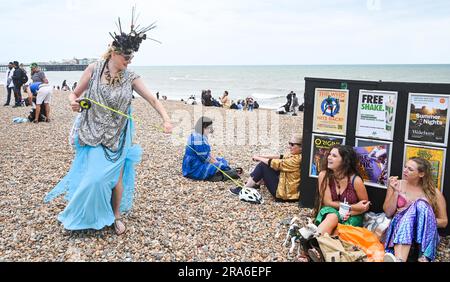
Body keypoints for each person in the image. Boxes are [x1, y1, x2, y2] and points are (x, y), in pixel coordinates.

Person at [44, 10, 173, 236]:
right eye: (126, 57)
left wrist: (166, 119)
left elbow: (153, 99)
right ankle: (82, 214)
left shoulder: (131, 77)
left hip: (119, 136)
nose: (129, 61)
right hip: (92, 131)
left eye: (132, 58)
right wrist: (75, 103)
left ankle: (115, 216)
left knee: (116, 178)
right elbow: (73, 94)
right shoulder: (94, 69)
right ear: (113, 52)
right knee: (94, 178)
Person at [383, 157, 448, 262]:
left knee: (420, 205)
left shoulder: (434, 193)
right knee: (409, 215)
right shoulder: (396, 184)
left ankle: (404, 258)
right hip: (400, 227)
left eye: (410, 169)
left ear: (421, 174)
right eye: (405, 167)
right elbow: (388, 212)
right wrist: (396, 192)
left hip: (424, 232)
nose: (405, 170)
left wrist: (419, 220)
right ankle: (408, 259)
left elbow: (444, 221)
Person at [307, 145, 370, 238]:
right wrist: (353, 207)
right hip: (330, 212)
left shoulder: (355, 180)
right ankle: (314, 241)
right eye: (329, 154)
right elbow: (327, 202)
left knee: (339, 231)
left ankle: (315, 243)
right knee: (333, 217)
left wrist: (351, 212)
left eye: (334, 156)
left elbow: (365, 205)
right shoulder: (324, 175)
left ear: (344, 161)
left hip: (351, 215)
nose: (329, 157)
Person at [229, 134, 302, 202]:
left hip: (285, 196)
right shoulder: (297, 155)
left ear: (301, 147)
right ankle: (255, 183)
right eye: (289, 143)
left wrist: (259, 158)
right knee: (266, 164)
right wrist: (262, 156)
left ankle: (244, 189)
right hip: (288, 191)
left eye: (292, 144)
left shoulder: (296, 160)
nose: (289, 146)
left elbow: (275, 163)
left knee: (263, 166)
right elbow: (281, 157)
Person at [182, 117, 240, 182]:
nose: (210, 130)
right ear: (204, 127)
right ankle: (224, 175)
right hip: (194, 166)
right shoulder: (198, 139)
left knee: (221, 160)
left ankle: (225, 172)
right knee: (219, 165)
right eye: (209, 128)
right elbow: (204, 158)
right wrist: (218, 164)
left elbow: (207, 154)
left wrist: (216, 161)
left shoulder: (199, 135)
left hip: (196, 161)